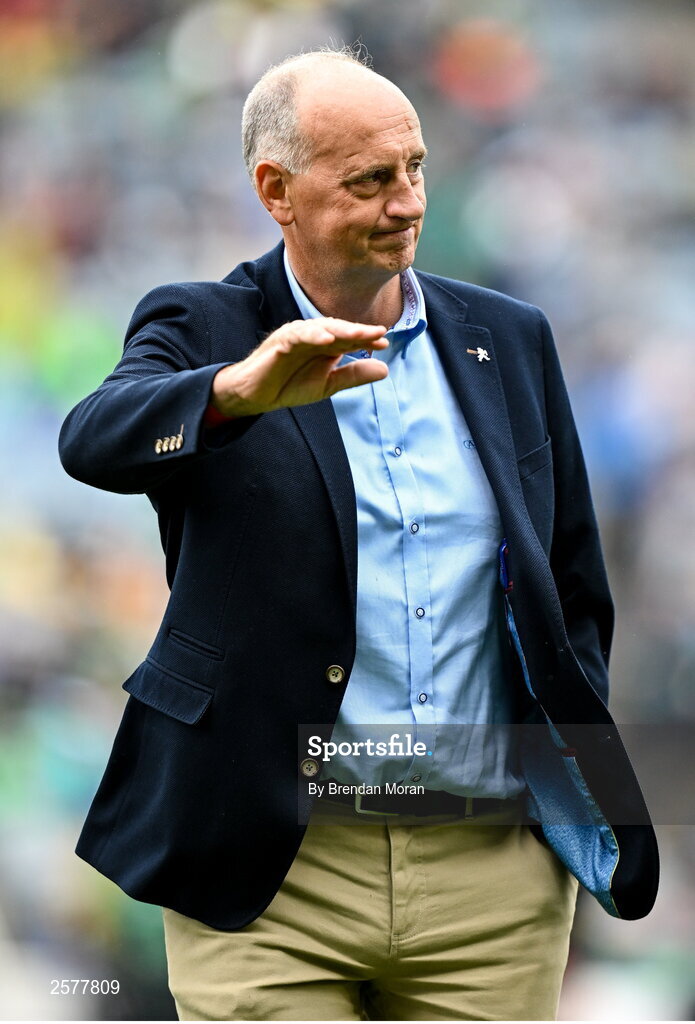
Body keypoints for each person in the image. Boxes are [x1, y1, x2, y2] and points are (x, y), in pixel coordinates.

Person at [59, 47, 659, 1022]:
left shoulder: (505, 335)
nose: (406, 200)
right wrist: (235, 393)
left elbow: (569, 578)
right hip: (272, 874)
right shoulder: (206, 326)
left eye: (414, 167)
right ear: (276, 190)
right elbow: (94, 437)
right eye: (370, 179)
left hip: (486, 879)